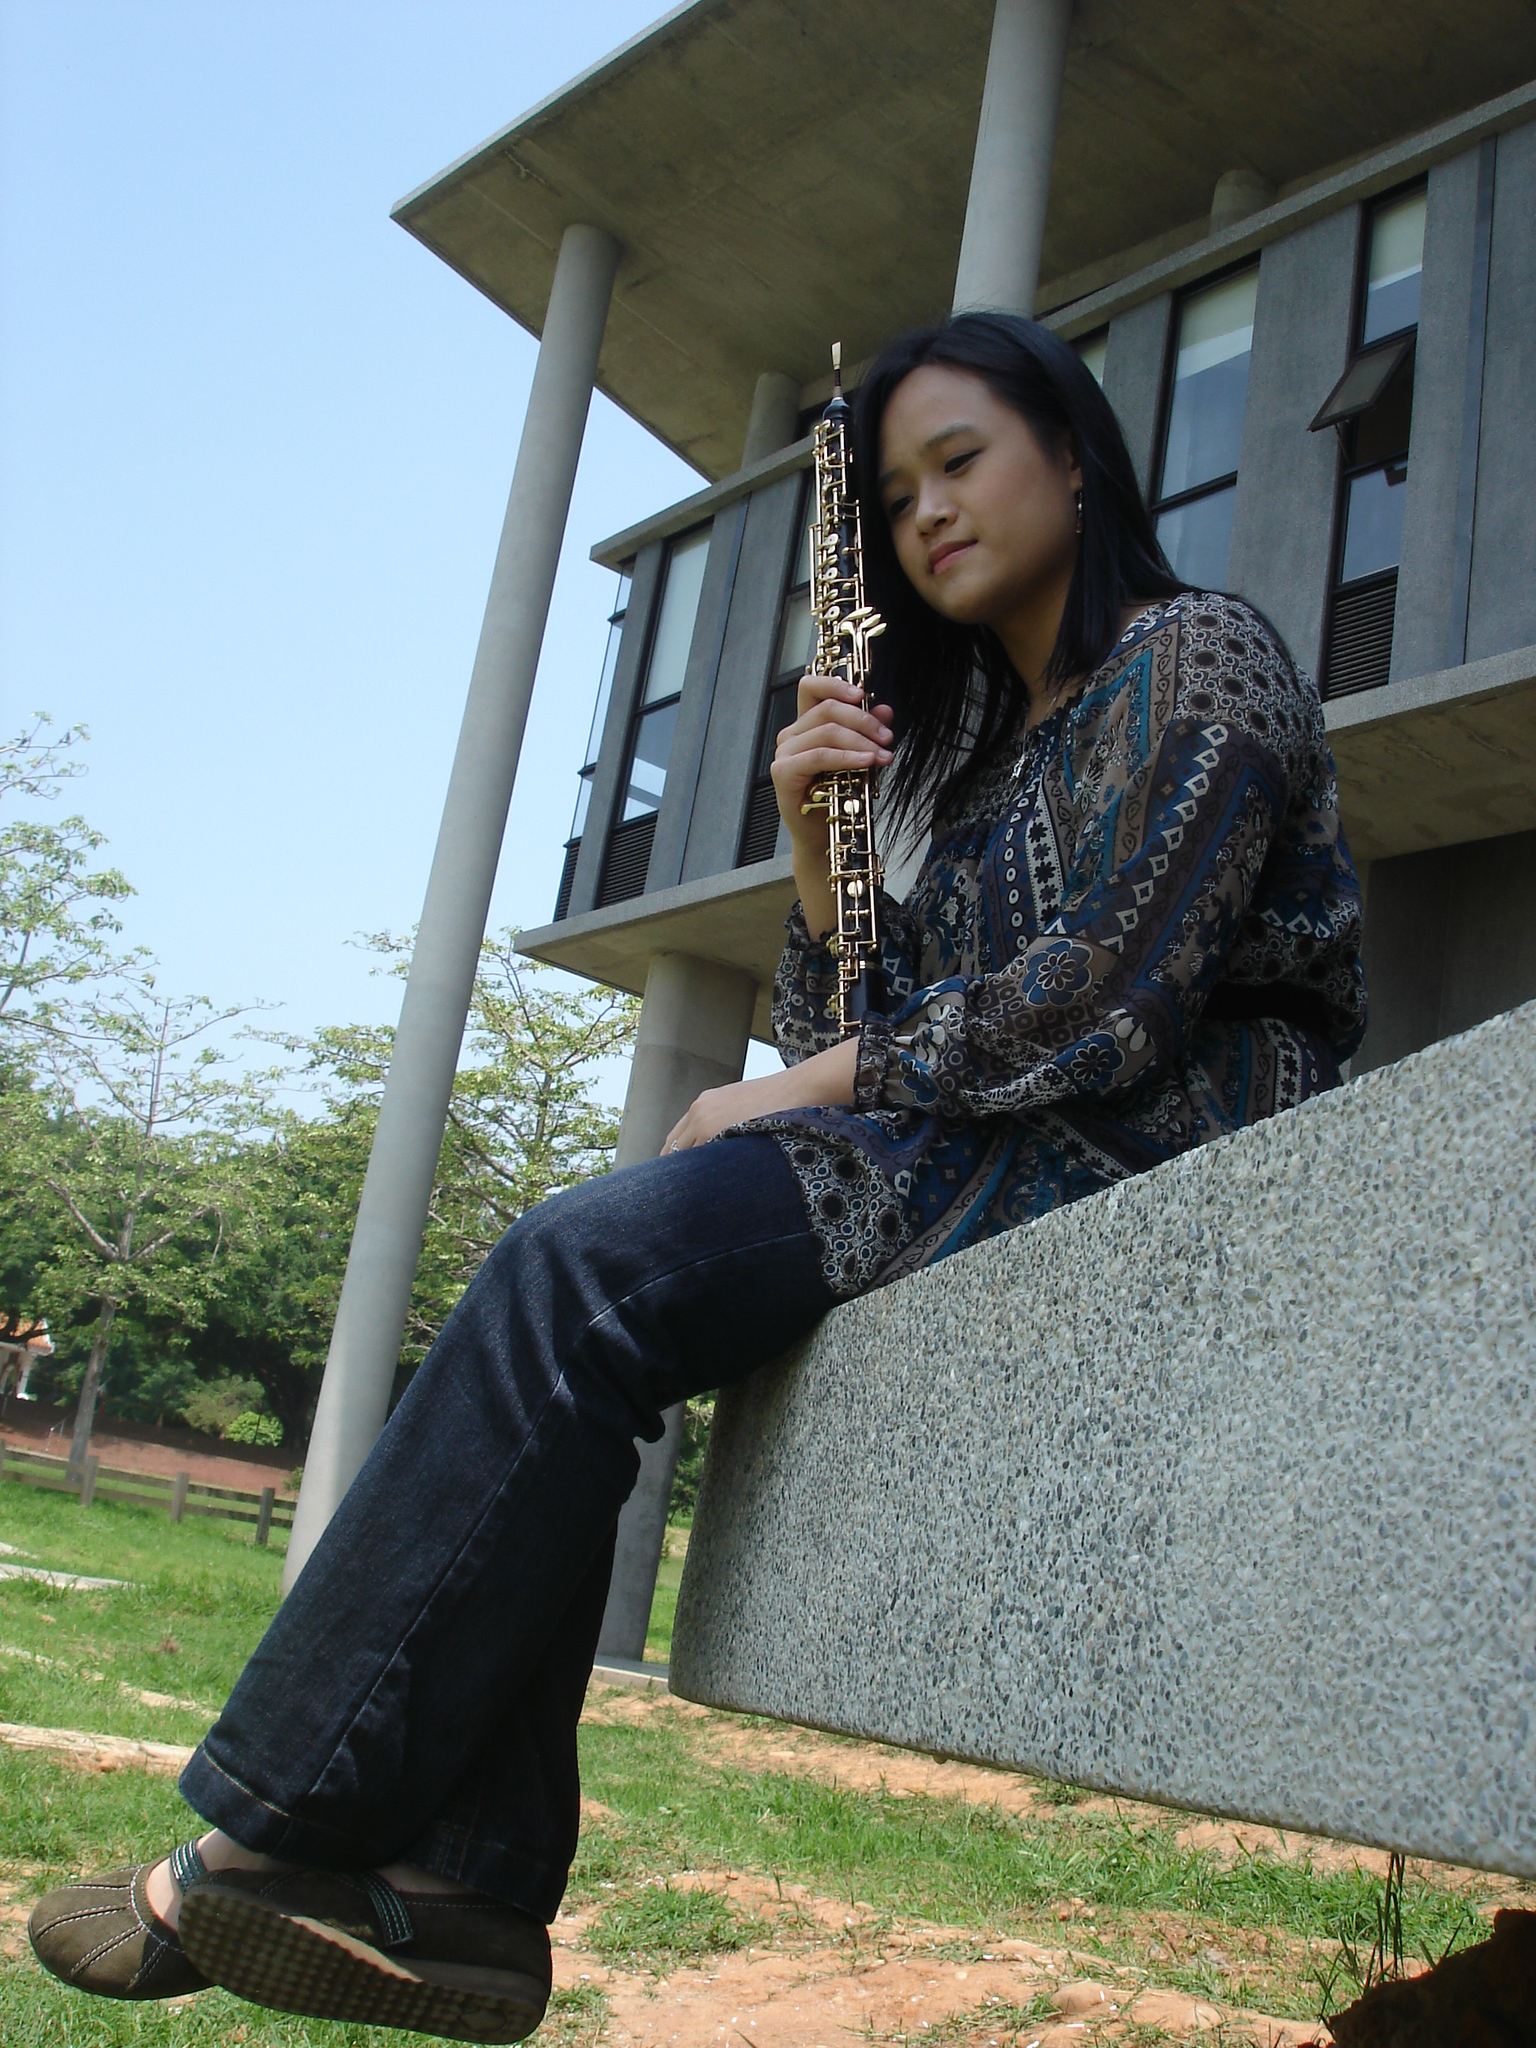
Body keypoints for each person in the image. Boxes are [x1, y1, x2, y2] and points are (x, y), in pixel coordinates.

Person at [28, 311, 1366, 2042]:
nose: (926, 514)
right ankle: (464, 1888)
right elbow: (874, 1030)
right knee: (580, 1280)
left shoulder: (1204, 655)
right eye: (897, 496)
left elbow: (1112, 997)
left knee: (583, 1269)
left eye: (959, 462)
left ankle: (282, 1842)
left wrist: (802, 1083)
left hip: (1164, 1149)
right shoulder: (983, 775)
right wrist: (815, 860)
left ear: (1075, 457)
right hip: (989, 1151)